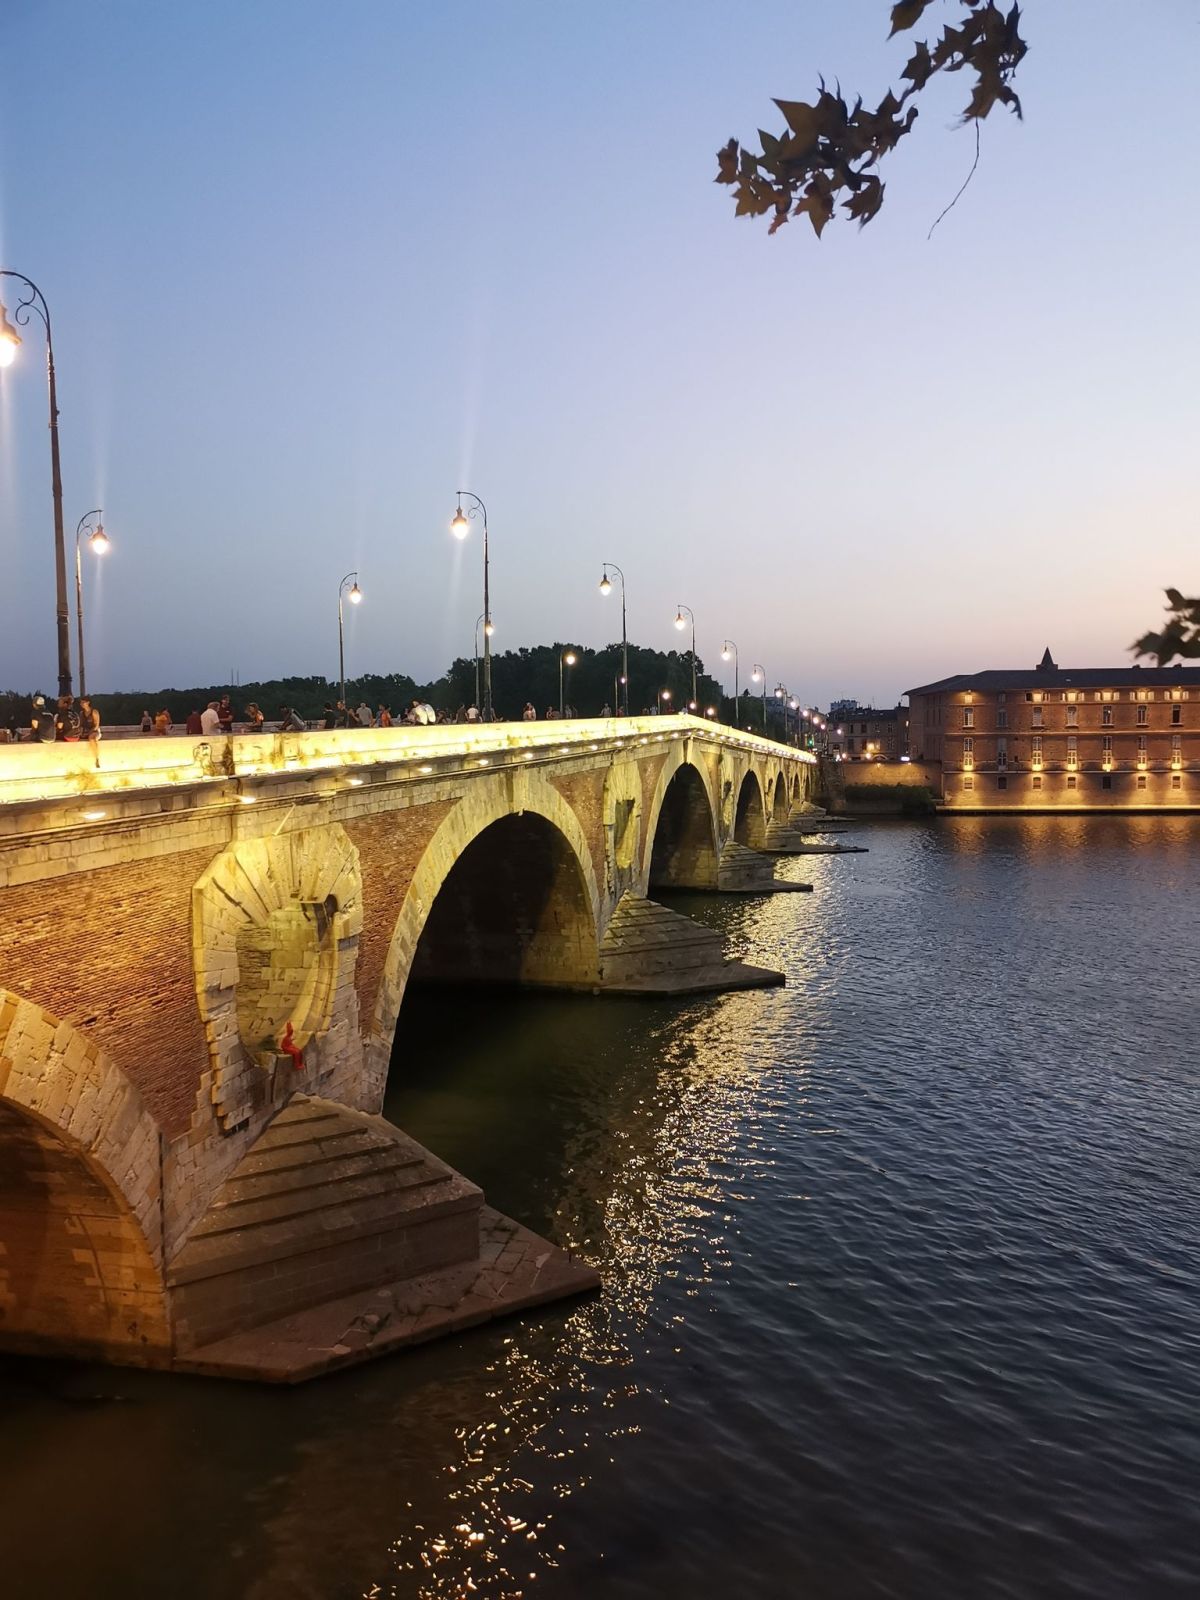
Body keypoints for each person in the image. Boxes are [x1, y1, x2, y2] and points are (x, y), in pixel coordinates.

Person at [78, 696, 101, 769]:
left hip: (94, 731)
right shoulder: (81, 713)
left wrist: (89, 732)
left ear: (88, 703)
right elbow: (80, 725)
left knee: (91, 738)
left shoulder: (94, 712)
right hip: (85, 731)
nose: (81, 704)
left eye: (83, 702)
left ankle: (96, 758)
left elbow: (96, 725)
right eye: (81, 702)